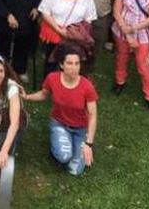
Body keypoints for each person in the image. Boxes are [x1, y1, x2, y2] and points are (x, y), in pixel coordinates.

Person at [22, 45, 98, 176]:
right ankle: (58, 143)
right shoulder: (52, 78)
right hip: (60, 124)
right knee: (63, 157)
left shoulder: (87, 86)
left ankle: (75, 145)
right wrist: (26, 96)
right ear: (62, 65)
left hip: (80, 130)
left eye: (77, 63)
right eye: (69, 63)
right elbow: (44, 94)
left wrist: (89, 144)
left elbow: (93, 115)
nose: (74, 67)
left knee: (75, 170)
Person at [38, 0, 98, 75]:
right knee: (51, 64)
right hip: (54, 33)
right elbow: (45, 12)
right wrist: (60, 30)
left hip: (74, 36)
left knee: (71, 65)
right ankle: (49, 88)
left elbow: (89, 17)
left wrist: (77, 32)